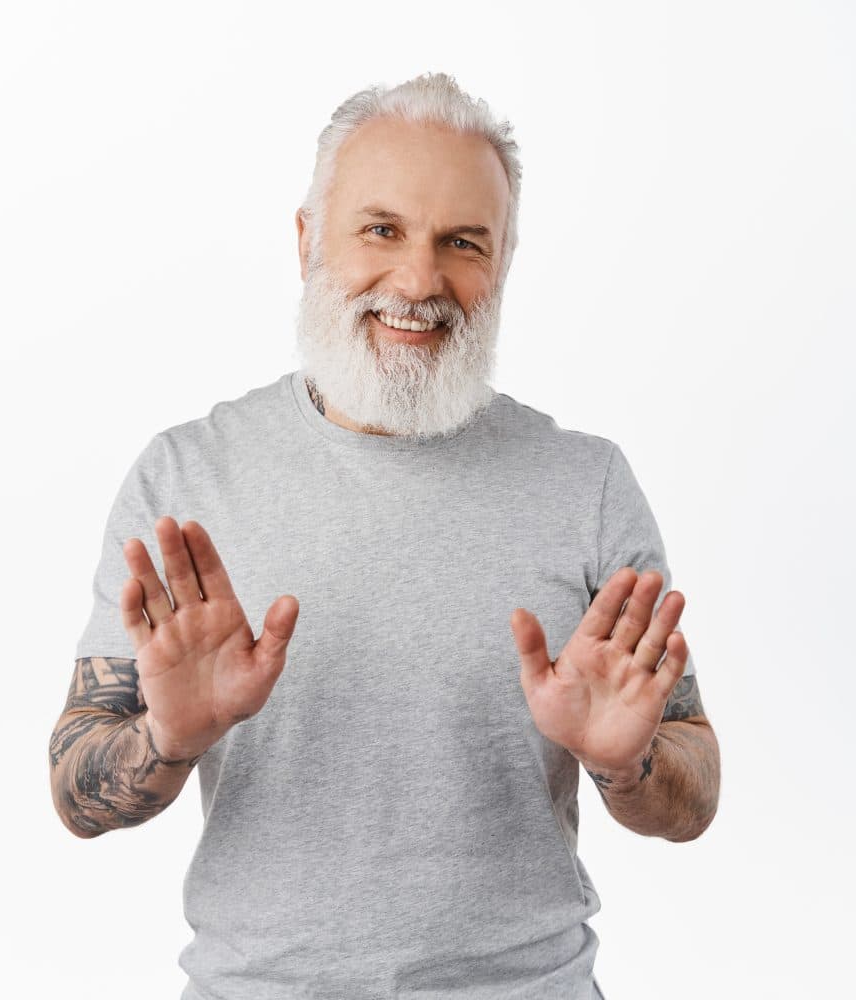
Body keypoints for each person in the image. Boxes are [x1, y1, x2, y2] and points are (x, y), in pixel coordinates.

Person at [48, 71, 721, 1000]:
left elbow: (694, 792)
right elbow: (76, 792)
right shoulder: (189, 477)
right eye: (381, 229)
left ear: (504, 263)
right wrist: (166, 736)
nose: (418, 281)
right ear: (305, 241)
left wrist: (625, 761)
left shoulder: (587, 484)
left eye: (462, 242)